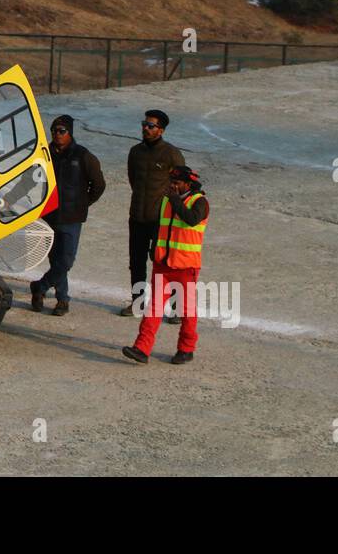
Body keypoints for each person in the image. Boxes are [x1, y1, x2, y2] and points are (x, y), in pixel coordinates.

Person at [122, 166, 210, 365]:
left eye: (177, 183)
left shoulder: (200, 202)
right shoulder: (167, 201)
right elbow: (158, 226)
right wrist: (154, 249)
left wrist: (175, 200)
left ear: (188, 184)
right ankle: (141, 348)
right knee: (153, 308)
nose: (172, 186)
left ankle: (186, 349)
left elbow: (191, 220)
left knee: (187, 312)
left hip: (186, 267)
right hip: (163, 265)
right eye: (171, 182)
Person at [31, 115, 105, 316]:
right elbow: (30, 180)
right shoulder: (45, 154)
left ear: (70, 133)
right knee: (56, 260)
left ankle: (40, 286)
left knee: (67, 260)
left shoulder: (83, 156)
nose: (57, 134)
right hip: (50, 216)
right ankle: (62, 299)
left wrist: (83, 203)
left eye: (61, 131)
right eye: (54, 130)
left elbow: (99, 184)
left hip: (72, 218)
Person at [121, 109, 184, 317]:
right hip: (137, 217)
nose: (145, 128)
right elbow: (133, 180)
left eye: (151, 126)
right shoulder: (135, 152)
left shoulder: (171, 153)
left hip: (161, 220)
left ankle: (175, 307)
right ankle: (138, 303)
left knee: (164, 263)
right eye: (144, 124)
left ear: (161, 130)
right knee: (136, 263)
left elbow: (181, 185)